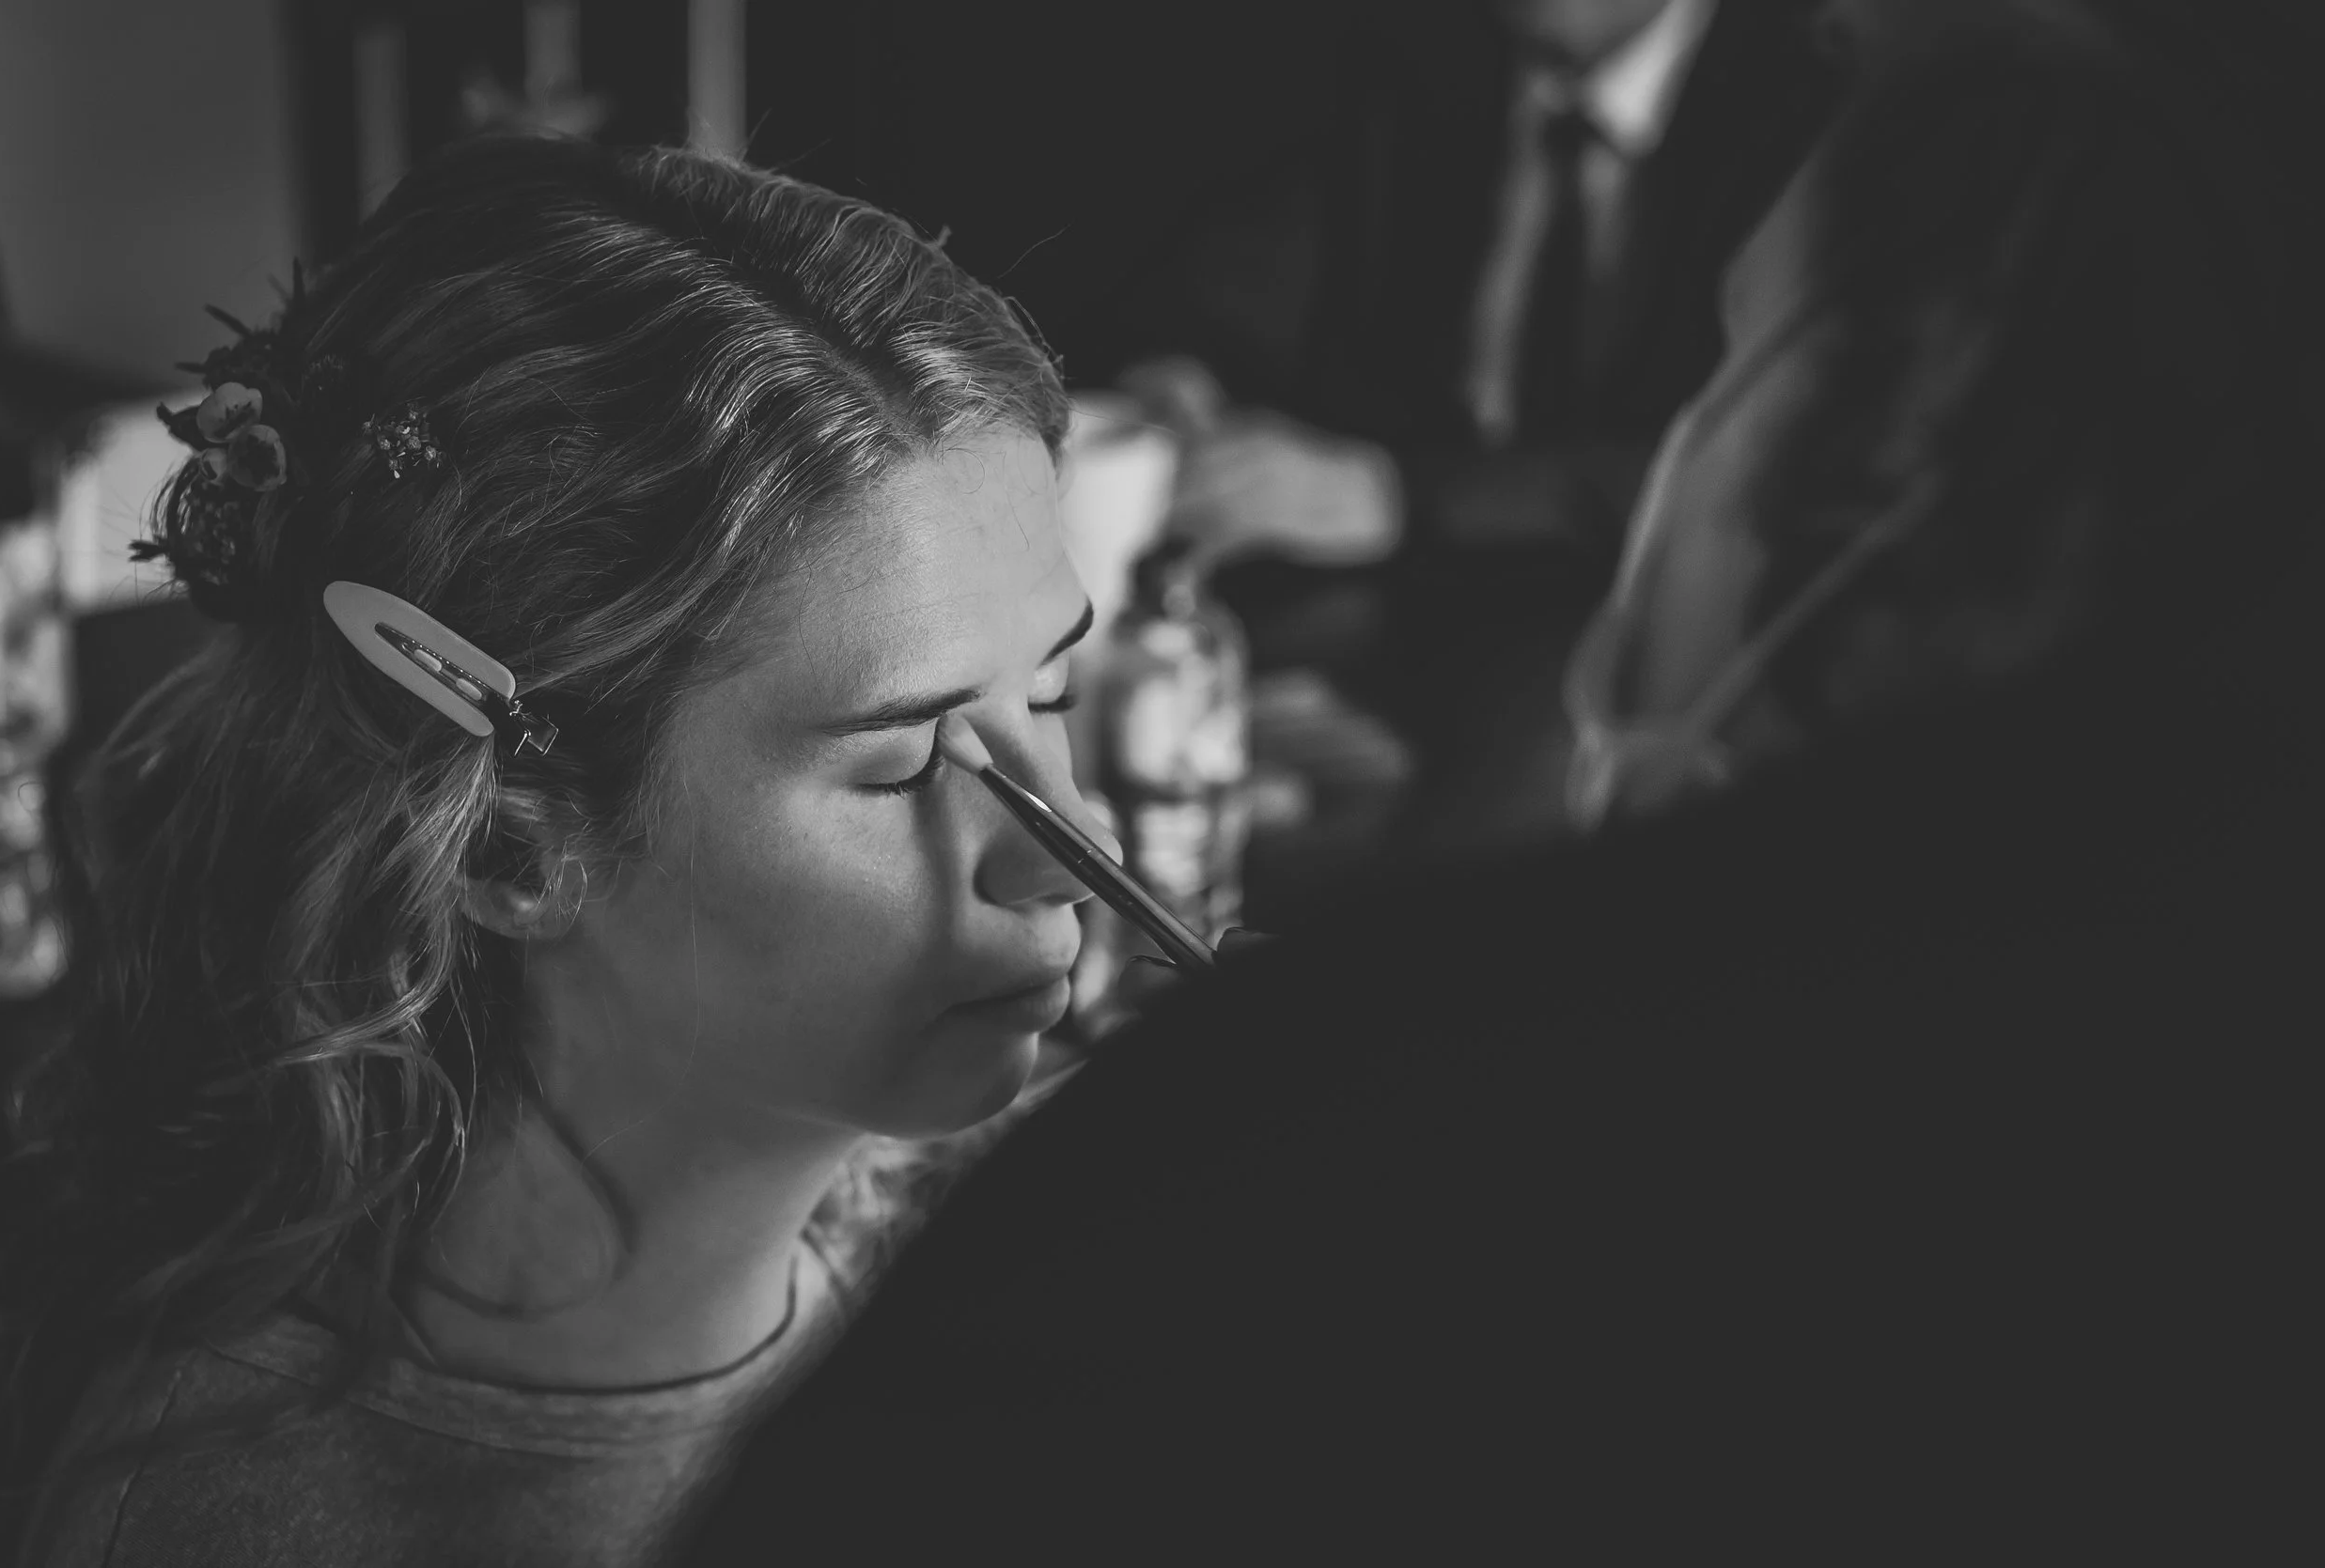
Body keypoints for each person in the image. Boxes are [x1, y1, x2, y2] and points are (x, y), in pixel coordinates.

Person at [679, 0, 2323, 1558]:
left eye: (1739, 357)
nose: (1067, 836)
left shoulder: (1267, 1192)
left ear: (1894, 464)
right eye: (909, 743)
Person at [0, 132, 1111, 1566]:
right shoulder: (231, 1529)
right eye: (899, 764)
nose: (1070, 852)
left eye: (1054, 691)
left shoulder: (1077, 1254)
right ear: (512, 846)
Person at [1073, 0, 1847, 845]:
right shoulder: (1425, 51)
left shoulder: (1822, 95)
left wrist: (1398, 495)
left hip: (1643, 659)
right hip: (1386, 641)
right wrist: (1181, 367)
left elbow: (1778, 453)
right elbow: (1251, 259)